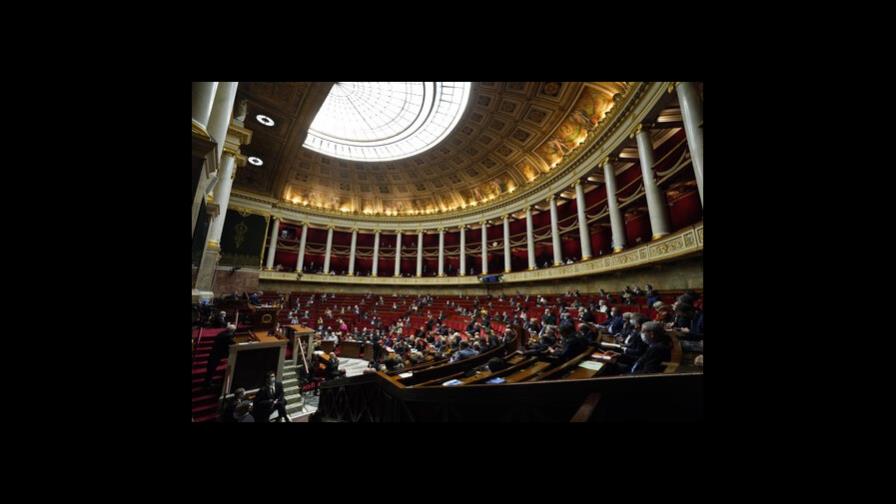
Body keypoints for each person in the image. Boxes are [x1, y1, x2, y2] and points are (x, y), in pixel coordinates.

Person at [204, 324, 236, 388]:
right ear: (232, 330)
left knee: (210, 369)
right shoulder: (228, 336)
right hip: (217, 354)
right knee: (211, 369)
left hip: (214, 352)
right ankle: (207, 384)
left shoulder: (222, 333)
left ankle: (207, 382)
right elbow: (232, 342)